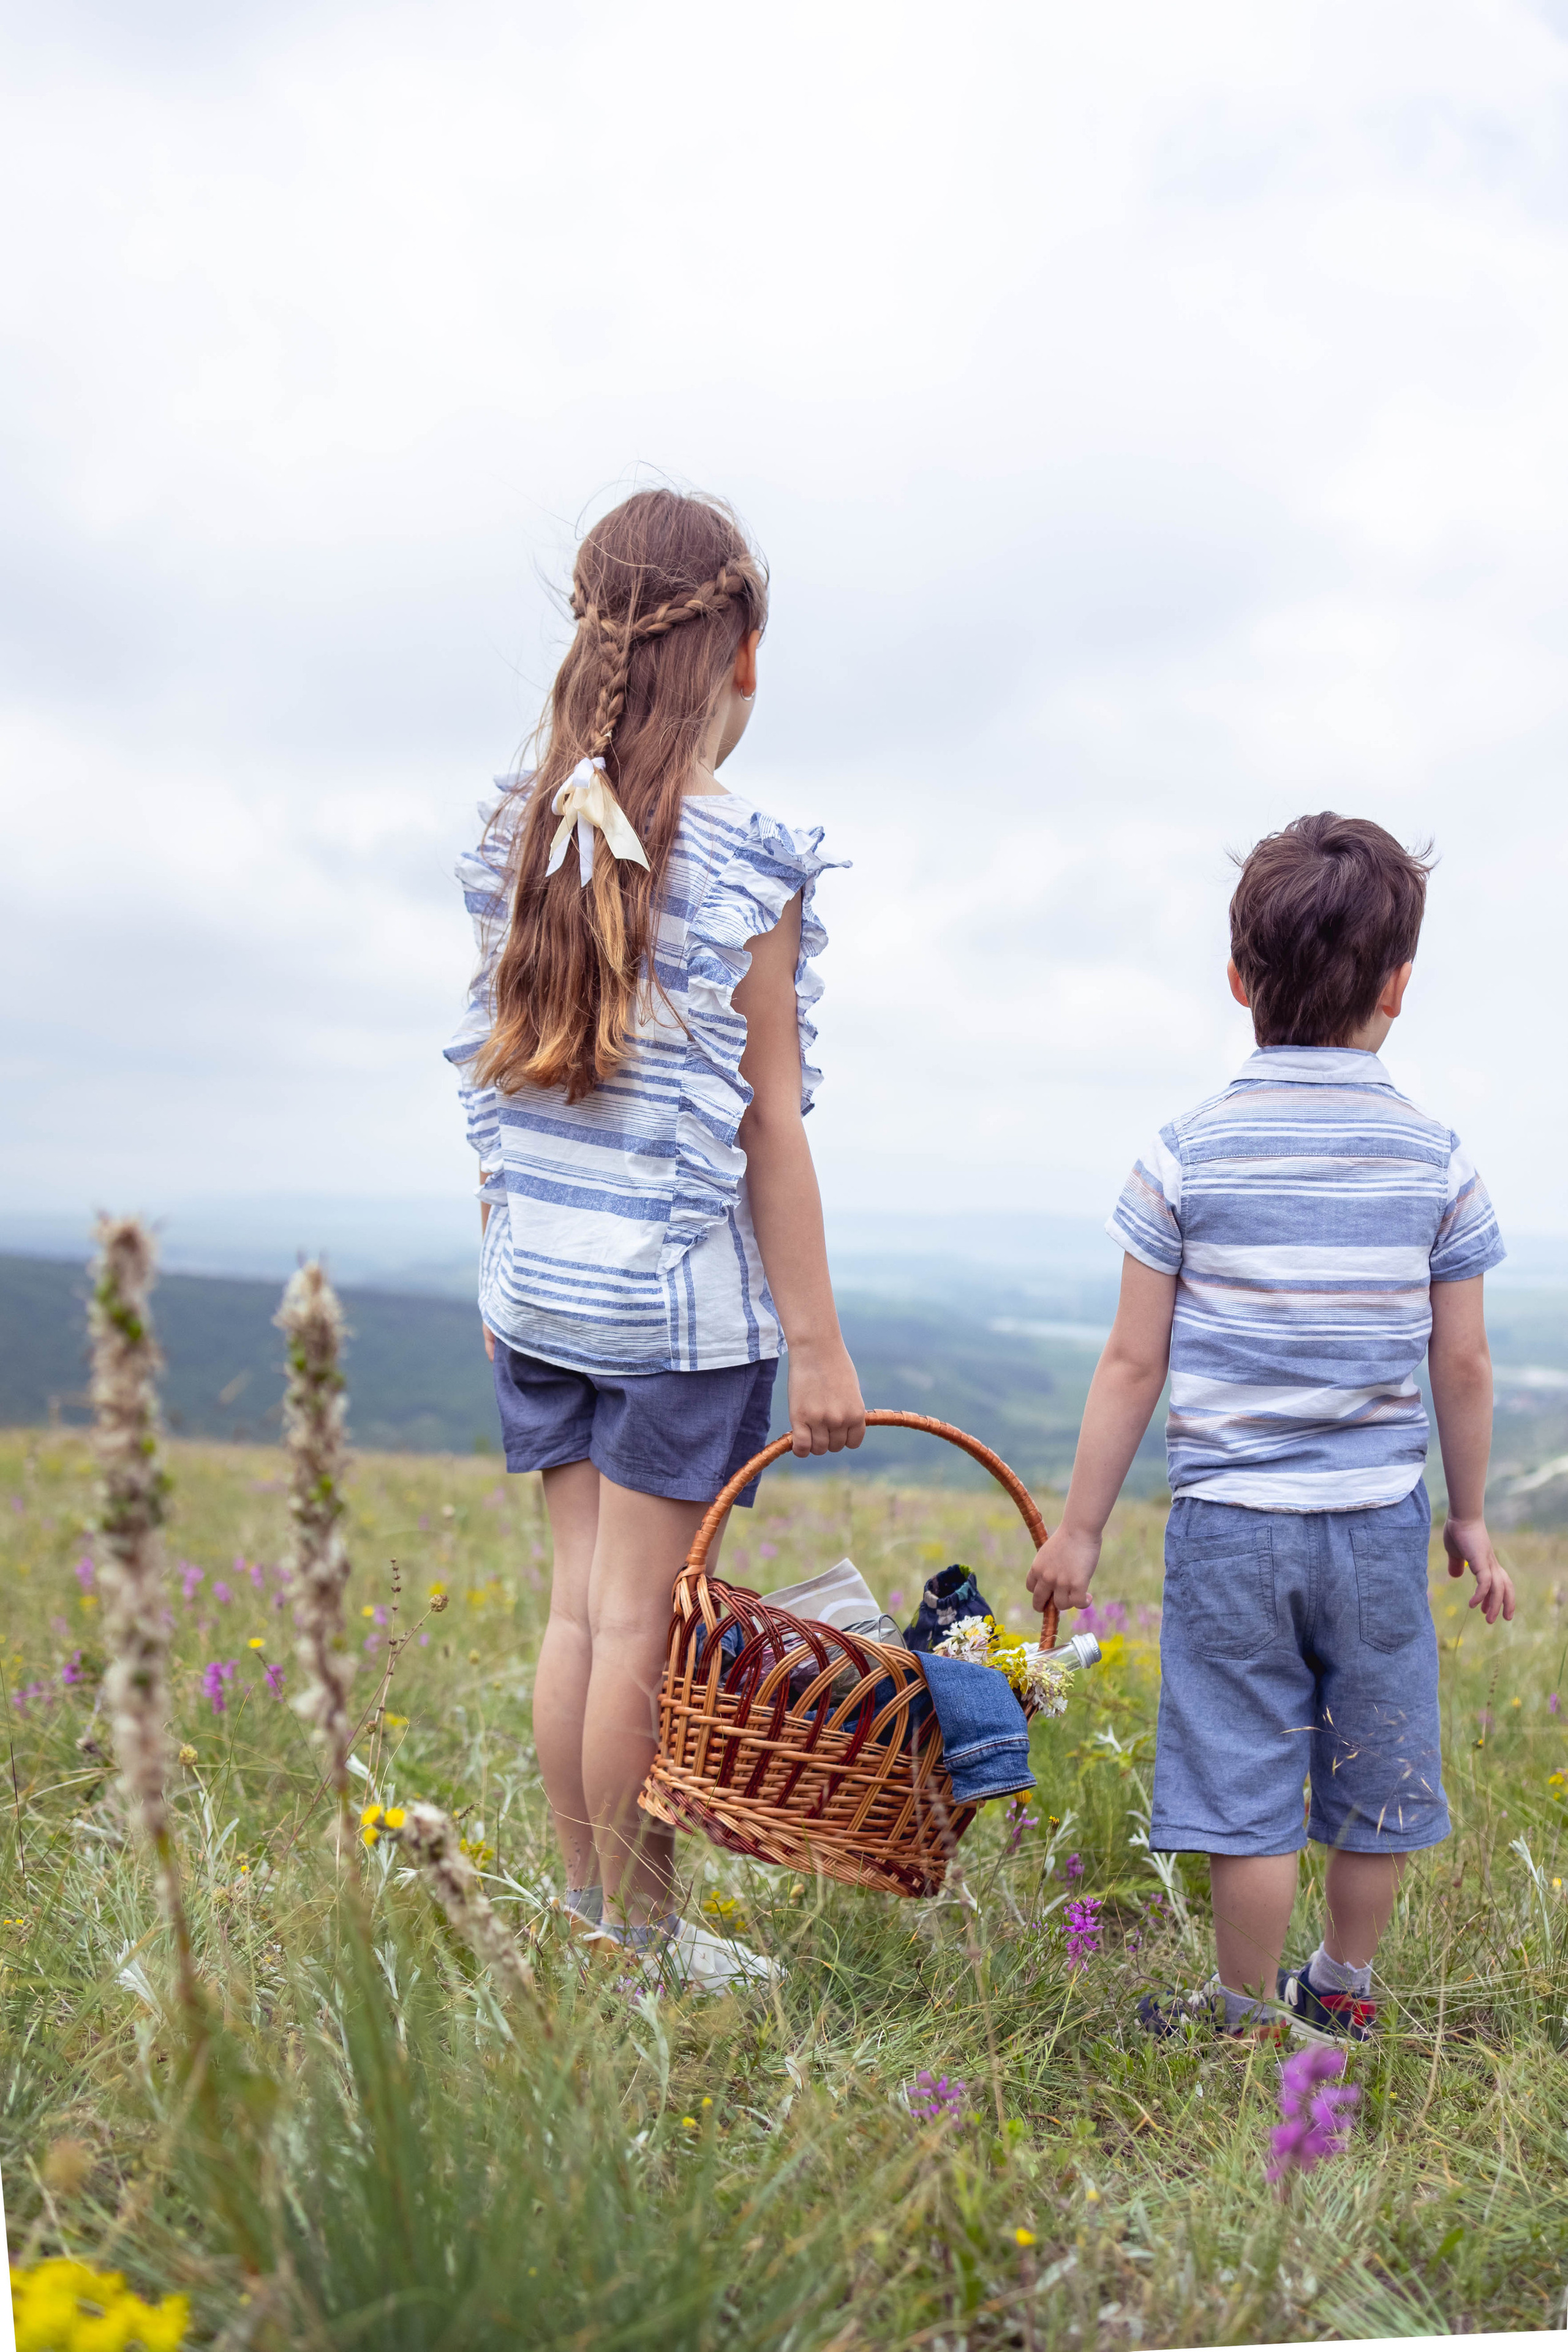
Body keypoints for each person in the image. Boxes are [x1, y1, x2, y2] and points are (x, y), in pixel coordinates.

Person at [445, 489, 865, 1969]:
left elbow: (499, 1069)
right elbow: (770, 1125)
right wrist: (816, 1344)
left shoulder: (519, 827)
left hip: (538, 1289)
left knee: (579, 1611)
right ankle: (640, 1931)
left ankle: (591, 1910)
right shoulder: (746, 860)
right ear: (741, 651)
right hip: (673, 1315)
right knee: (639, 1624)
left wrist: (499, 1259)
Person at [1027, 812, 1513, 2041]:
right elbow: (1460, 1361)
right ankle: (1341, 1988)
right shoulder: (1436, 1159)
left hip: (1231, 1528)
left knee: (1242, 1778)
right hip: (1376, 1524)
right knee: (1372, 1768)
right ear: (1398, 985)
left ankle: (1241, 2009)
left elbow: (1132, 1360)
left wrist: (1078, 1531)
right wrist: (1466, 1517)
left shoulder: (1183, 1153)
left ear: (1238, 980)